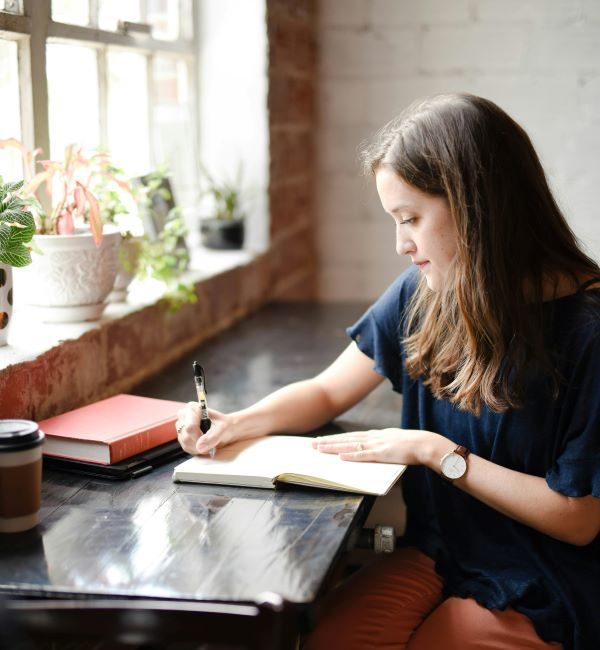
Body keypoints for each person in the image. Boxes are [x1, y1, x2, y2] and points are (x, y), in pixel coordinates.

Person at [176, 93, 600, 650]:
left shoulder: (588, 333)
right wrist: (239, 423)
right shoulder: (427, 292)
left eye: (411, 219)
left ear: (478, 207)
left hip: (548, 577)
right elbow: (329, 390)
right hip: (439, 551)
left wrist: (435, 451)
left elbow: (577, 518)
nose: (401, 244)